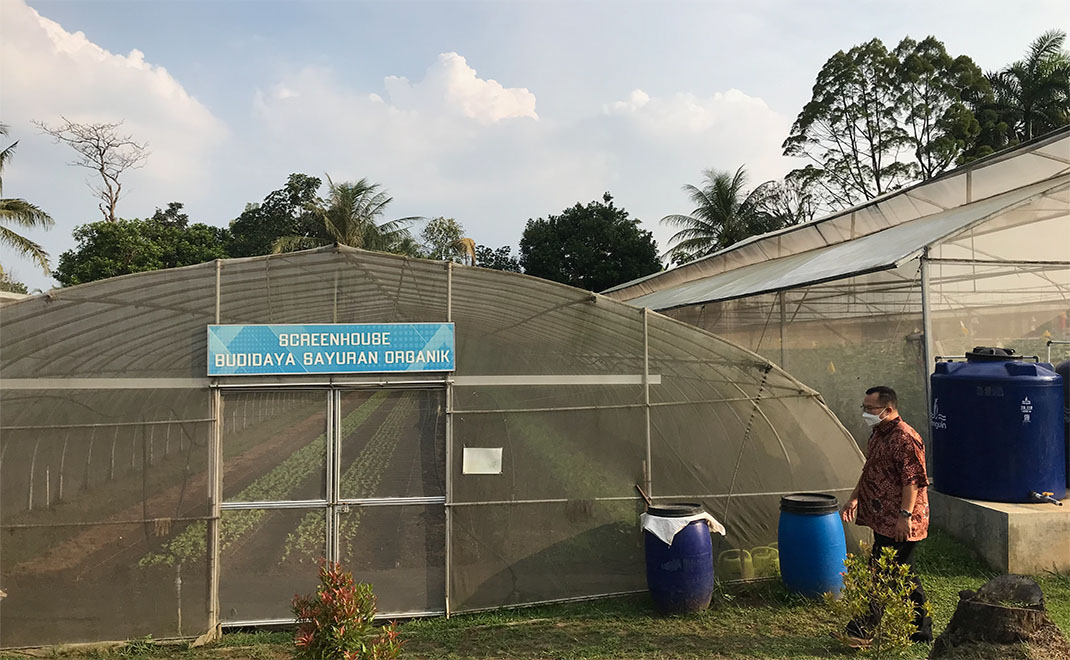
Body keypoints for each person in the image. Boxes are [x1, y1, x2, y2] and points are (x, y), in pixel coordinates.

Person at [841, 385, 934, 645]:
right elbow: (870, 470)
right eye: (865, 408)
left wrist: (904, 516)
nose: (865, 413)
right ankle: (920, 631)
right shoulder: (878, 435)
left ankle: (860, 630)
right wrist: (854, 497)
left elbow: (913, 481)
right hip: (883, 519)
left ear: (888, 409)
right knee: (902, 575)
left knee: (882, 573)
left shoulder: (905, 438)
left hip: (901, 521)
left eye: (870, 409)